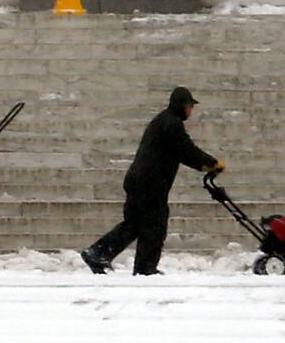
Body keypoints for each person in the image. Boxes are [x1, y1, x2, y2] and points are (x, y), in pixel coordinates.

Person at [77, 85, 218, 276]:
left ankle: (98, 253)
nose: (191, 110)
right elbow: (186, 150)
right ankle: (145, 269)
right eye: (190, 106)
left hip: (139, 181)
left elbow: (182, 153)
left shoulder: (164, 121)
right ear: (182, 105)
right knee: (155, 226)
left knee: (134, 224)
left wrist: (206, 166)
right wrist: (212, 164)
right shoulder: (171, 124)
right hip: (150, 185)